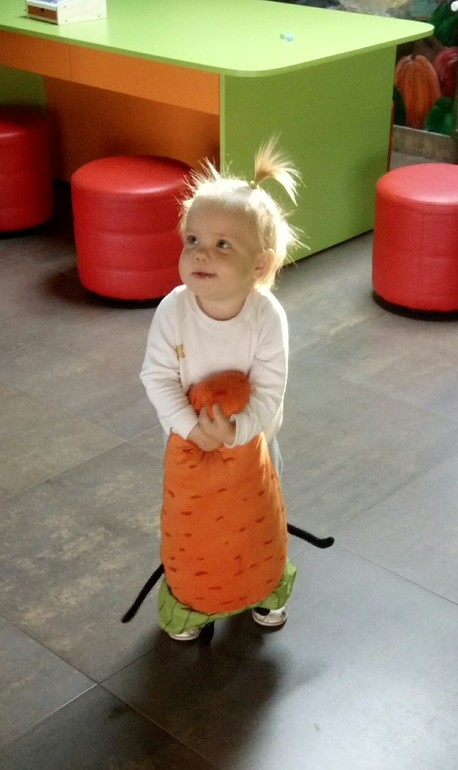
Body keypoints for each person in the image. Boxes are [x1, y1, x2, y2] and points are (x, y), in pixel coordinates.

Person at [140, 139, 301, 640]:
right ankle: (191, 598)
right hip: (186, 441)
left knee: (257, 518)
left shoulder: (266, 317)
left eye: (223, 244)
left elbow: (271, 389)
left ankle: (266, 586)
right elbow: (157, 376)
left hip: (253, 440)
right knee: (196, 526)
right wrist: (190, 428)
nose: (200, 253)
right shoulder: (173, 310)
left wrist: (238, 432)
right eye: (192, 239)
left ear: (260, 265)